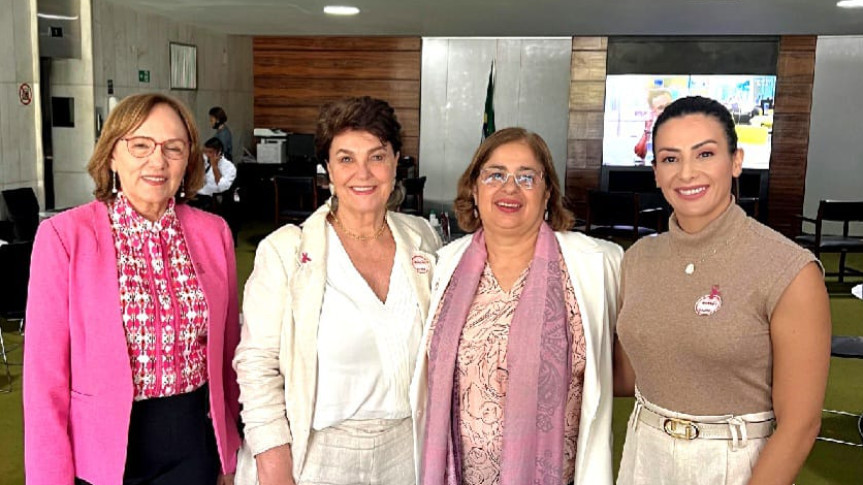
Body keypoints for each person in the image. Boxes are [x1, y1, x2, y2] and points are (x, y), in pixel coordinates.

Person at [24, 93, 242, 485]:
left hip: (195, 443)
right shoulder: (63, 237)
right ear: (111, 155)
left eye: (173, 148)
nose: (157, 161)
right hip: (103, 452)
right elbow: (45, 383)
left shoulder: (215, 234)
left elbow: (230, 357)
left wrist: (229, 455)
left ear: (188, 159)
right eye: (140, 145)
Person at [613, 96, 831, 485]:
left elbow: (800, 424)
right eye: (670, 158)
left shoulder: (789, 269)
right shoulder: (639, 259)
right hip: (644, 453)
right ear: (656, 173)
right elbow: (632, 376)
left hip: (736, 462)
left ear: (735, 161)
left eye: (705, 154)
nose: (687, 173)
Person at [233, 96, 442, 485]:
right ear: (327, 167)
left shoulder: (424, 240)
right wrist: (275, 467)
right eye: (346, 158)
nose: (362, 173)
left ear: (397, 160)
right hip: (315, 456)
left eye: (377, 157)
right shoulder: (286, 251)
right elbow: (257, 365)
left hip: (407, 453)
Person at [415, 127, 622, 485]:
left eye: (526, 177)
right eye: (495, 175)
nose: (509, 188)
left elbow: (628, 364)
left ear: (547, 194)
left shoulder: (597, 264)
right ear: (474, 190)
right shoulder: (444, 265)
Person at [193, 137, 238, 210]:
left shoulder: (229, 167)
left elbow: (222, 187)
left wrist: (215, 167)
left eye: (210, 152)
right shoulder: (204, 161)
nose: (207, 154)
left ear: (219, 152)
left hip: (213, 200)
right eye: (205, 151)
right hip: (197, 195)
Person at [634, 88, 673, 162]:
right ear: (653, 110)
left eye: (668, 105)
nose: (666, 110)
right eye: (660, 108)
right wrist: (647, 129)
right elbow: (639, 154)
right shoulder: (648, 127)